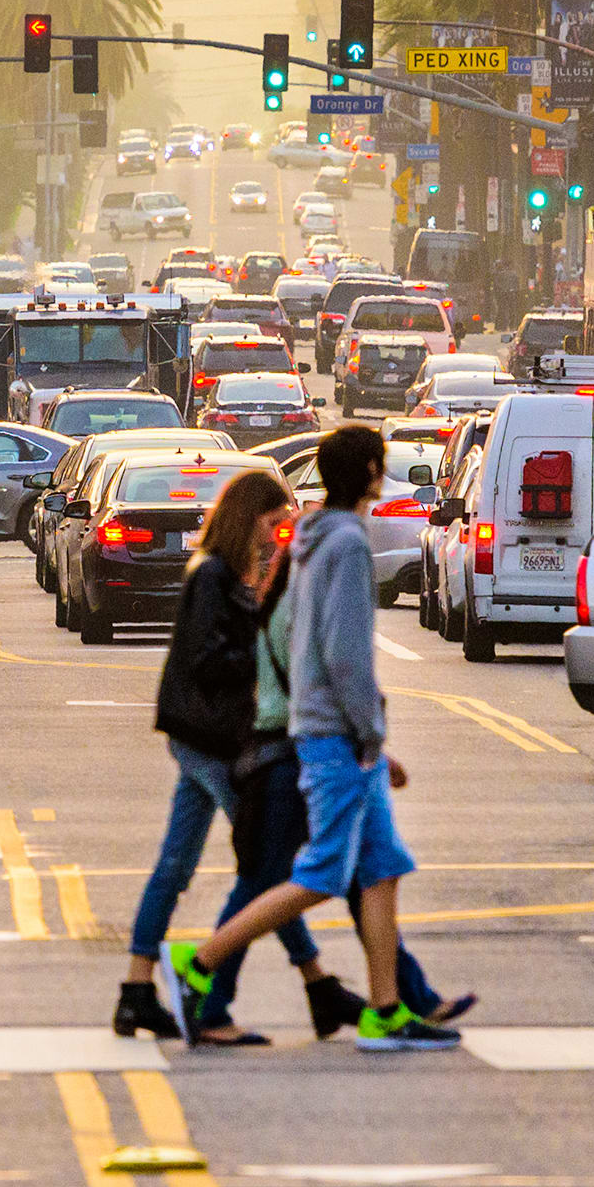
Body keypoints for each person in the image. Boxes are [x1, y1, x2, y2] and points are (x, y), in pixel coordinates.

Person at [158, 423, 461, 1051]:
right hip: (336, 735)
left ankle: (387, 1009)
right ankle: (202, 960)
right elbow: (345, 653)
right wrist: (370, 732)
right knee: (322, 873)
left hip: (325, 730)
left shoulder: (310, 540)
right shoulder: (348, 542)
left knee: (380, 868)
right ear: (374, 473)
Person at [116, 467, 341, 1043]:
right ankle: (300, 985)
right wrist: (265, 660)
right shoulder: (212, 575)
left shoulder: (231, 573)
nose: (278, 532)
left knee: (178, 865)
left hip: (203, 736)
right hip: (210, 738)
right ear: (249, 517)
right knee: (267, 870)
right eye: (272, 522)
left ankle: (137, 991)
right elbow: (208, 659)